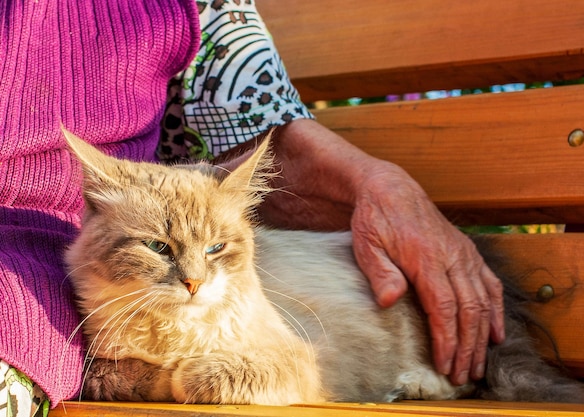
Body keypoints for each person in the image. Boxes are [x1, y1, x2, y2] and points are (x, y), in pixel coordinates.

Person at [0, 1, 504, 415]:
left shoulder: (201, 10)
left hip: (28, 268)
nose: (194, 277)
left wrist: (382, 183)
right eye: (160, 249)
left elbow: (260, 127)